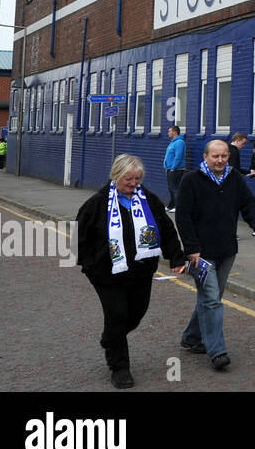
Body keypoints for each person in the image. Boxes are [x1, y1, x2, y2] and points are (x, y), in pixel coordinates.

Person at [76, 154, 186, 388]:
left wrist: (176, 256)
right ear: (116, 176)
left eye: (137, 178)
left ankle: (110, 338)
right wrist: (89, 266)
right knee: (116, 314)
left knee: (136, 313)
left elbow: (166, 229)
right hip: (107, 274)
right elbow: (82, 237)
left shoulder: (149, 200)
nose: (134, 183)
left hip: (141, 272)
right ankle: (120, 367)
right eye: (129, 178)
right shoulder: (97, 203)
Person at [175, 139, 255, 370]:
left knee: (210, 298)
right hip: (201, 254)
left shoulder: (233, 177)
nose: (220, 160)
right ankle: (217, 351)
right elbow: (183, 217)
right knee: (212, 300)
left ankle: (191, 337)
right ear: (205, 157)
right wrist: (191, 249)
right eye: (215, 156)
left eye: (224, 156)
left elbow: (248, 202)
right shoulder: (191, 180)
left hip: (227, 250)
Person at [163, 125, 186, 210]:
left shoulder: (180, 142)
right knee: (171, 188)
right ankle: (171, 205)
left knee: (175, 188)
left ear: (174, 132)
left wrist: (173, 167)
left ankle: (177, 206)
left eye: (169, 131)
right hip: (170, 168)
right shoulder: (173, 142)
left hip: (176, 169)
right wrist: (167, 167)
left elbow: (178, 156)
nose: (168, 133)